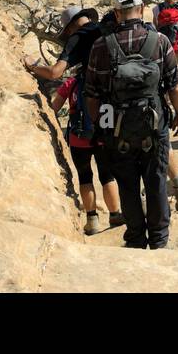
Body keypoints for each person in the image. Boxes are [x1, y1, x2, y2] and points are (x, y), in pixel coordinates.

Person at [85, 0, 178, 250]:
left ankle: (135, 239)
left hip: (116, 128)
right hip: (154, 124)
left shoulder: (100, 46)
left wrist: (101, 126)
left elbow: (92, 94)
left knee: (127, 185)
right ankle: (160, 239)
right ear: (141, 10)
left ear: (117, 13)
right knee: (155, 182)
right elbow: (175, 85)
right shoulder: (160, 41)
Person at [50, 72, 122, 235]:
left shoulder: (72, 83)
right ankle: (115, 214)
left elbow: (54, 108)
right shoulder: (106, 80)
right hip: (103, 137)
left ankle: (92, 220)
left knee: (85, 177)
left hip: (79, 138)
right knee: (107, 176)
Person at [22, 5, 100, 91]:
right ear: (89, 18)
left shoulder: (77, 38)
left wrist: (33, 66)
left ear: (69, 28)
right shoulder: (107, 27)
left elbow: (54, 73)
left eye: (67, 32)